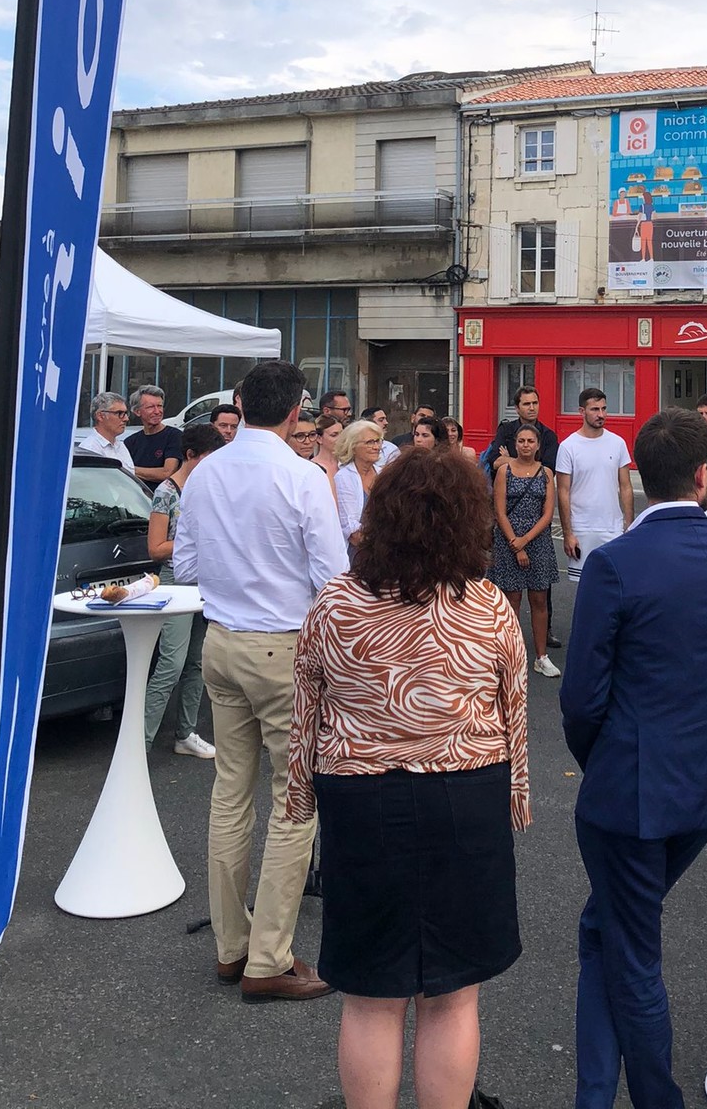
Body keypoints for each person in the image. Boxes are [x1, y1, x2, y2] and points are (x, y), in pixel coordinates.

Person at [286, 447, 528, 1109]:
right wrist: (518, 797)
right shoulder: (487, 605)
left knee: (370, 993)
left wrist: (299, 794)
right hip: (467, 795)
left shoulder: (336, 602)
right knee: (452, 994)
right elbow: (515, 709)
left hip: (362, 798)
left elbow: (307, 700)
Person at [561, 408, 707, 1109]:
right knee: (608, 928)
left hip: (631, 790)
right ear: (706, 474)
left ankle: (657, 1098)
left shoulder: (615, 563)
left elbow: (582, 700)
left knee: (632, 949)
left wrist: (605, 761)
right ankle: (594, 1093)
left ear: (638, 477)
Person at [172, 359, 347, 1001]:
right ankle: (268, 958)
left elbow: (186, 564)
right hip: (282, 647)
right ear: (299, 410)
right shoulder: (301, 477)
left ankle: (232, 946)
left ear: (240, 403)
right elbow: (333, 578)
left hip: (220, 641)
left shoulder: (205, 472)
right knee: (293, 801)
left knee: (231, 792)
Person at [143, 423, 224, 760]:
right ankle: (140, 741)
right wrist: (195, 541)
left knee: (197, 663)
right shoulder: (167, 492)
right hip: (176, 582)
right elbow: (156, 548)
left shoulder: (211, 488)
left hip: (207, 581)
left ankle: (186, 733)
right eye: (208, 457)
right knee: (171, 665)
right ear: (190, 455)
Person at [492, 424, 560, 677]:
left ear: (538, 444)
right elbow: (499, 511)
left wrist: (526, 540)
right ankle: (512, 655)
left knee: (539, 599)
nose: (525, 445)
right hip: (508, 539)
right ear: (515, 444)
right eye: (521, 441)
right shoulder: (504, 471)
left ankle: (541, 656)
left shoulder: (546, 473)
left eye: (530, 441)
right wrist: (515, 543)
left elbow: (548, 514)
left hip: (538, 541)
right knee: (512, 601)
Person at [555, 389, 633, 582]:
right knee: (585, 588)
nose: (601, 414)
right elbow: (563, 491)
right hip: (582, 530)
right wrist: (568, 534)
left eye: (604, 409)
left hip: (613, 529)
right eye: (595, 409)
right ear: (582, 411)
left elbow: (626, 487)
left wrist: (629, 524)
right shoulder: (568, 446)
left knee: (616, 585)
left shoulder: (618, 443)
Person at [488, 386, 560, 477]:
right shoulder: (505, 430)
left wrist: (509, 460)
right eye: (526, 404)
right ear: (517, 408)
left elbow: (548, 471)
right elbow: (495, 462)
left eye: (535, 403)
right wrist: (532, 464)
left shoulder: (549, 436)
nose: (532, 408)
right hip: (506, 487)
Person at [334, 420, 384, 550]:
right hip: (359, 553)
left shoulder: (383, 474)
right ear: (353, 447)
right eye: (369, 442)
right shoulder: (344, 477)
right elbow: (351, 532)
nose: (376, 447)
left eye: (378, 441)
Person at [124, 384, 183, 486]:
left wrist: (130, 469)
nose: (157, 411)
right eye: (151, 407)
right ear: (137, 412)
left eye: (159, 406)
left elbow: (167, 473)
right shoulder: (130, 442)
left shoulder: (174, 436)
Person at [77, 391, 135, 470]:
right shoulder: (90, 449)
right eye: (119, 413)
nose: (126, 419)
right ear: (100, 416)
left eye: (126, 413)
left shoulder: (120, 446)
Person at [312, 414, 343, 484]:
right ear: (319, 438)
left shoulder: (347, 464)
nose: (341, 439)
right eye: (334, 435)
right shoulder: (312, 466)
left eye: (342, 434)